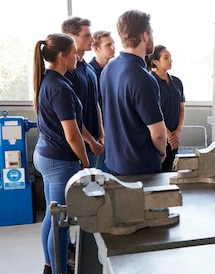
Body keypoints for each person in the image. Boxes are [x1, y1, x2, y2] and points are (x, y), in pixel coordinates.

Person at [33, 33, 90, 274]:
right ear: (62, 56)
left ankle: (49, 268)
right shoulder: (60, 87)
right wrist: (84, 160)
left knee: (51, 216)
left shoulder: (50, 81)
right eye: (74, 52)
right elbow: (72, 134)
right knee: (60, 223)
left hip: (46, 155)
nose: (77, 56)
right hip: (59, 161)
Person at [100, 10, 167, 175]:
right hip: (140, 167)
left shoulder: (109, 68)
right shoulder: (143, 78)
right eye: (151, 33)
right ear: (145, 35)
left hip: (114, 162)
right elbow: (157, 133)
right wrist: (162, 150)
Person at [61, 17, 105, 169]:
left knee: (94, 190)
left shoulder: (89, 69)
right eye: (86, 35)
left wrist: (101, 133)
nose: (92, 39)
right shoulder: (67, 71)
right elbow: (71, 115)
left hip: (95, 142)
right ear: (72, 37)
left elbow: (96, 102)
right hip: (79, 146)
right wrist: (90, 140)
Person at [148, 45, 186, 171]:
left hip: (174, 137)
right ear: (155, 62)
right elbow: (152, 111)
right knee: (157, 173)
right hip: (157, 135)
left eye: (170, 57)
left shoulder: (177, 82)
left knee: (171, 172)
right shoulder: (150, 81)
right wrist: (168, 133)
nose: (170, 60)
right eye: (166, 58)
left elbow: (181, 107)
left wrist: (178, 131)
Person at [89, 30, 115, 171]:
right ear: (96, 48)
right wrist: (101, 132)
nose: (113, 48)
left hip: (115, 129)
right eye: (108, 45)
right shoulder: (89, 72)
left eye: (113, 44)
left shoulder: (116, 70)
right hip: (98, 133)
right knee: (97, 175)